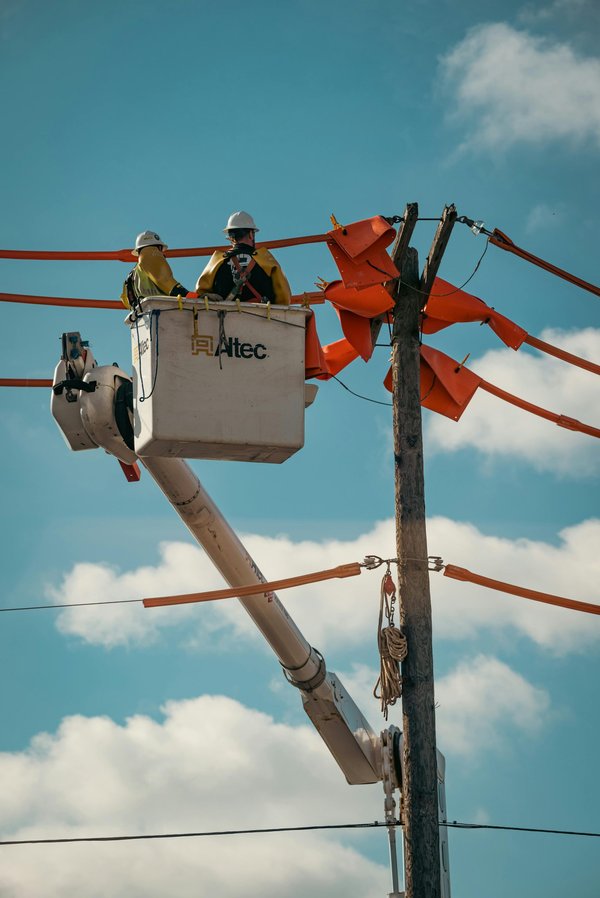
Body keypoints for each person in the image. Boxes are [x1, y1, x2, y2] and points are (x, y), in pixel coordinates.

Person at [196, 212, 291, 305]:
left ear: (231, 237)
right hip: (262, 317)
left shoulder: (218, 260)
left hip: (223, 317)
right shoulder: (266, 260)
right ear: (251, 234)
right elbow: (284, 298)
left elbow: (200, 292)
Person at [121, 230, 189, 310]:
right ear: (158, 248)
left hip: (144, 316)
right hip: (163, 312)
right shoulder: (150, 255)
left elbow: (126, 299)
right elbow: (165, 280)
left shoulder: (133, 273)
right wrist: (187, 295)